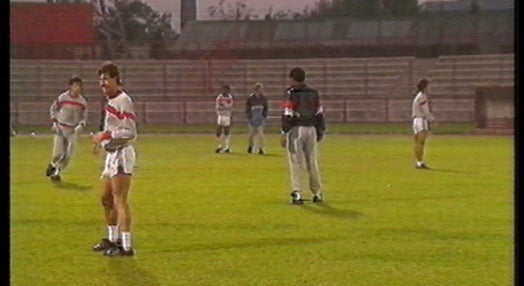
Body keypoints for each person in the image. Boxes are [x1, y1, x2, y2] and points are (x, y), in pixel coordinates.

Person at [91, 61, 137, 256]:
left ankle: (126, 246)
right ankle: (112, 238)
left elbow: (130, 131)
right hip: (112, 155)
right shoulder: (111, 101)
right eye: (101, 79)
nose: (103, 83)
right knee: (106, 199)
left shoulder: (123, 100)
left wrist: (106, 136)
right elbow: (112, 130)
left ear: (116, 80)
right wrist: (101, 141)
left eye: (106, 79)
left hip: (122, 154)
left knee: (119, 200)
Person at [281, 67, 326, 204]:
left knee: (296, 162)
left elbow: (288, 113)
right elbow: (319, 113)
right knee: (312, 161)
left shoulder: (292, 94)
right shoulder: (314, 93)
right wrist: (320, 130)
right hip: (311, 128)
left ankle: (298, 193)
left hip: (297, 128)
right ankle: (317, 193)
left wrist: (284, 131)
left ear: (293, 79)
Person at [45, 75, 88, 182]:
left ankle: (57, 172)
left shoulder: (82, 102)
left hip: (72, 130)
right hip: (61, 127)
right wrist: (54, 122)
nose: (77, 88)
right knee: (57, 154)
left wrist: (80, 125)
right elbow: (53, 109)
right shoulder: (62, 97)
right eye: (75, 85)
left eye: (79, 86)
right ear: (70, 86)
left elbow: (84, 117)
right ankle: (52, 164)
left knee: (68, 154)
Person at [412, 78, 435, 169]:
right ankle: (419, 162)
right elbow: (425, 110)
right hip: (421, 120)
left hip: (416, 120)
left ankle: (418, 162)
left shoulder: (418, 96)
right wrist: (431, 119)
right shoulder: (423, 96)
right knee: (421, 143)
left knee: (418, 143)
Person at [245, 82, 268, 155]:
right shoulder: (251, 98)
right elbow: (247, 108)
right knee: (251, 134)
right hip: (253, 118)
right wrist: (249, 116)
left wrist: (264, 115)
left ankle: (260, 148)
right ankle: (250, 146)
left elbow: (266, 108)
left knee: (261, 134)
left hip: (260, 118)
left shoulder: (263, 98)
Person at [215, 84, 235, 153]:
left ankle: (227, 147)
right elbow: (218, 107)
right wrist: (225, 107)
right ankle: (219, 146)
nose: (225, 91)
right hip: (220, 115)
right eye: (224, 89)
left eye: (226, 89)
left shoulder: (230, 97)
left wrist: (224, 106)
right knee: (218, 131)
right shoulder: (219, 97)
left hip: (227, 115)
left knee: (227, 131)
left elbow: (230, 107)